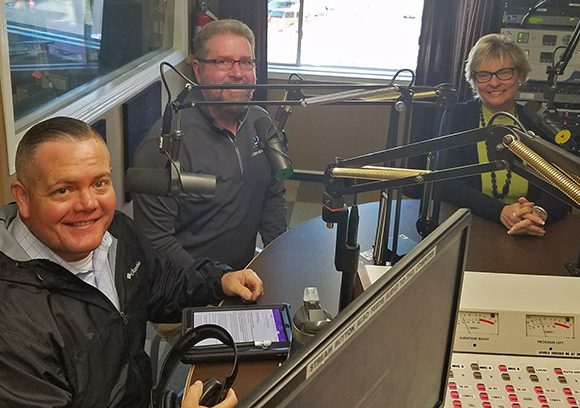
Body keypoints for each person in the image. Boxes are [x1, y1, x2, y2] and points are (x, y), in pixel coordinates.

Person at [0, 117, 260, 407]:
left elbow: (160, 285)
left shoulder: (116, 232)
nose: (88, 204)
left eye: (99, 183)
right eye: (64, 190)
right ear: (22, 197)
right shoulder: (11, 325)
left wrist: (218, 280)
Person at [133, 19, 288, 274]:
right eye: (222, 62)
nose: (237, 73)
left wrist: (278, 258)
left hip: (246, 273)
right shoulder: (165, 144)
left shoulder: (261, 121)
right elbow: (156, 241)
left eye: (246, 62)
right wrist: (217, 281)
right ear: (197, 69)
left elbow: (273, 196)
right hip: (189, 284)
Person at [436, 33, 570, 236]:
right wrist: (500, 211)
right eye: (484, 75)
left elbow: (562, 187)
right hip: (473, 225)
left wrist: (537, 213)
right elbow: (445, 182)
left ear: (519, 76)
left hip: (531, 228)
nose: (494, 83)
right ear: (474, 80)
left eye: (504, 73)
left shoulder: (537, 121)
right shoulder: (458, 115)